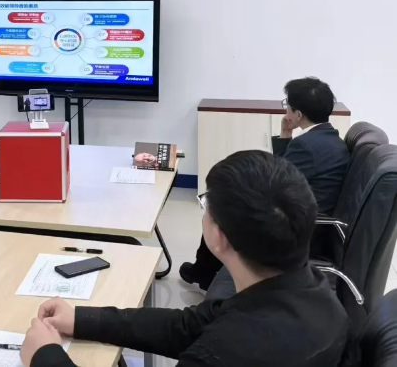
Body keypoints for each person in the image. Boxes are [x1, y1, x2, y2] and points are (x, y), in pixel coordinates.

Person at [21, 151, 352, 367]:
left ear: (218, 238)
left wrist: (45, 356)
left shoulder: (223, 353)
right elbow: (186, 326)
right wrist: (81, 319)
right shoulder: (312, 291)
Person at [181, 77, 350, 290]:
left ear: (298, 115)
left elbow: (277, 181)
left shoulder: (306, 145)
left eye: (287, 105)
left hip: (302, 228)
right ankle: (204, 270)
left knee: (223, 210)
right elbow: (284, 173)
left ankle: (203, 272)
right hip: (313, 219)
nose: (285, 110)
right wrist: (286, 135)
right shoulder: (330, 139)